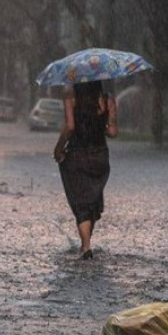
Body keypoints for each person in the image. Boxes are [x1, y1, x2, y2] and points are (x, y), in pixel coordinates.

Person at [53, 80, 118, 260]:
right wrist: (100, 124)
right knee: (92, 199)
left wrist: (58, 148)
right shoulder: (107, 100)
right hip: (100, 156)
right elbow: (113, 132)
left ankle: (85, 247)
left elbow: (70, 126)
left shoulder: (71, 97)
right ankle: (87, 242)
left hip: (77, 155)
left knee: (80, 201)